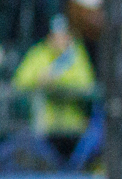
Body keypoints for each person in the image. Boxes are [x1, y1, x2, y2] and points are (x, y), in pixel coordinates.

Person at [11, 16, 96, 165]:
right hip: (44, 127)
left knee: (94, 138)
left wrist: (56, 80)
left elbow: (86, 83)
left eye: (64, 35)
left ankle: (74, 172)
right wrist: (39, 81)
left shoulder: (75, 54)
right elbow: (19, 82)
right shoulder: (38, 54)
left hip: (73, 128)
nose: (60, 40)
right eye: (56, 36)